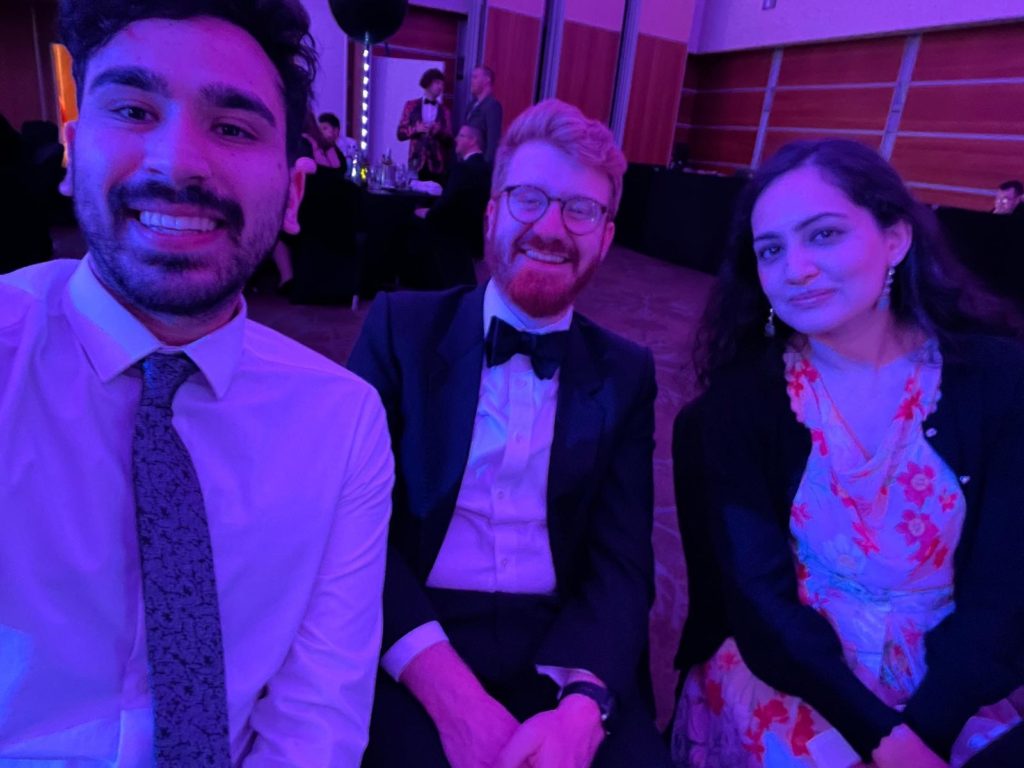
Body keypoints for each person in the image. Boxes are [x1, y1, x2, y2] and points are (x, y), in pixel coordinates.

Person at [0, 0, 394, 764]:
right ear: (74, 151)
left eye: (234, 127)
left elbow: (314, 726)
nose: (177, 162)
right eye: (135, 109)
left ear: (294, 191)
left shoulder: (342, 423)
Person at [670, 139, 1024, 768]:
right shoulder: (742, 402)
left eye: (823, 235)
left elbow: (1006, 588)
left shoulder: (998, 381)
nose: (796, 268)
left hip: (961, 672)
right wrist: (884, 738)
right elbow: (760, 602)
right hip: (801, 670)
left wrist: (927, 729)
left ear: (895, 239)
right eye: (771, 250)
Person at [349, 99, 670, 768]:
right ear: (493, 212)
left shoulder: (627, 373)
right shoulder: (400, 331)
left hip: (564, 636)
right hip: (415, 629)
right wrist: (454, 702)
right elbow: (351, 528)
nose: (551, 228)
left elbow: (622, 561)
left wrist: (582, 706)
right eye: (529, 199)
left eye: (580, 210)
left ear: (606, 238)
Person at [407, 124, 491, 289]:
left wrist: (429, 213)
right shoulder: (487, 168)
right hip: (472, 235)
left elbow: (447, 203)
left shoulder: (463, 169)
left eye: (460, 136)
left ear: (472, 141)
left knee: (412, 220)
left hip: (452, 234)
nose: (455, 140)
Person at [397, 67, 453, 183]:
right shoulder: (411, 106)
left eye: (442, 84)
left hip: (437, 166)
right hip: (416, 163)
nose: (440, 87)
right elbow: (400, 134)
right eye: (437, 83)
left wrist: (439, 132)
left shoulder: (445, 111)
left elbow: (450, 141)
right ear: (428, 83)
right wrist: (415, 129)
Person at [463, 64, 503, 164]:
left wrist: (486, 167)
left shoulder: (492, 106)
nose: (471, 81)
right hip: (466, 162)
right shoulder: (471, 105)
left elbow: (493, 140)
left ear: (487, 80)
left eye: (475, 77)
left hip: (478, 164)